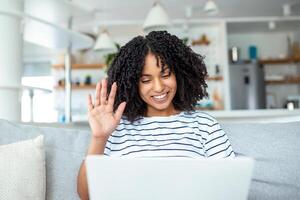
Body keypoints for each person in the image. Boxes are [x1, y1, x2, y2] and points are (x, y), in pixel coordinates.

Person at [77, 31, 235, 200]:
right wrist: (99, 138)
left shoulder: (205, 126)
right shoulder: (114, 129)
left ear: (180, 74)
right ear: (133, 83)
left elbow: (231, 188)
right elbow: (86, 195)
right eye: (146, 80)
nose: (159, 87)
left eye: (165, 75)